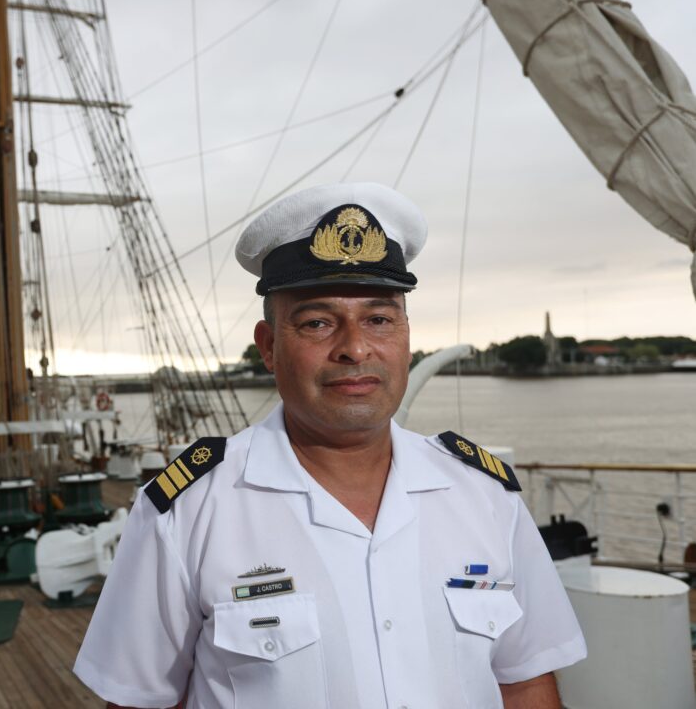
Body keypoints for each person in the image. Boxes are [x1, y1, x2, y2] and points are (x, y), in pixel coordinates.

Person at [73, 182, 586, 709]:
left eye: (379, 319)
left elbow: (524, 682)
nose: (355, 347)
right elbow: (140, 700)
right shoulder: (187, 511)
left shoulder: (485, 496)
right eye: (318, 322)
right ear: (269, 347)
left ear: (406, 335)